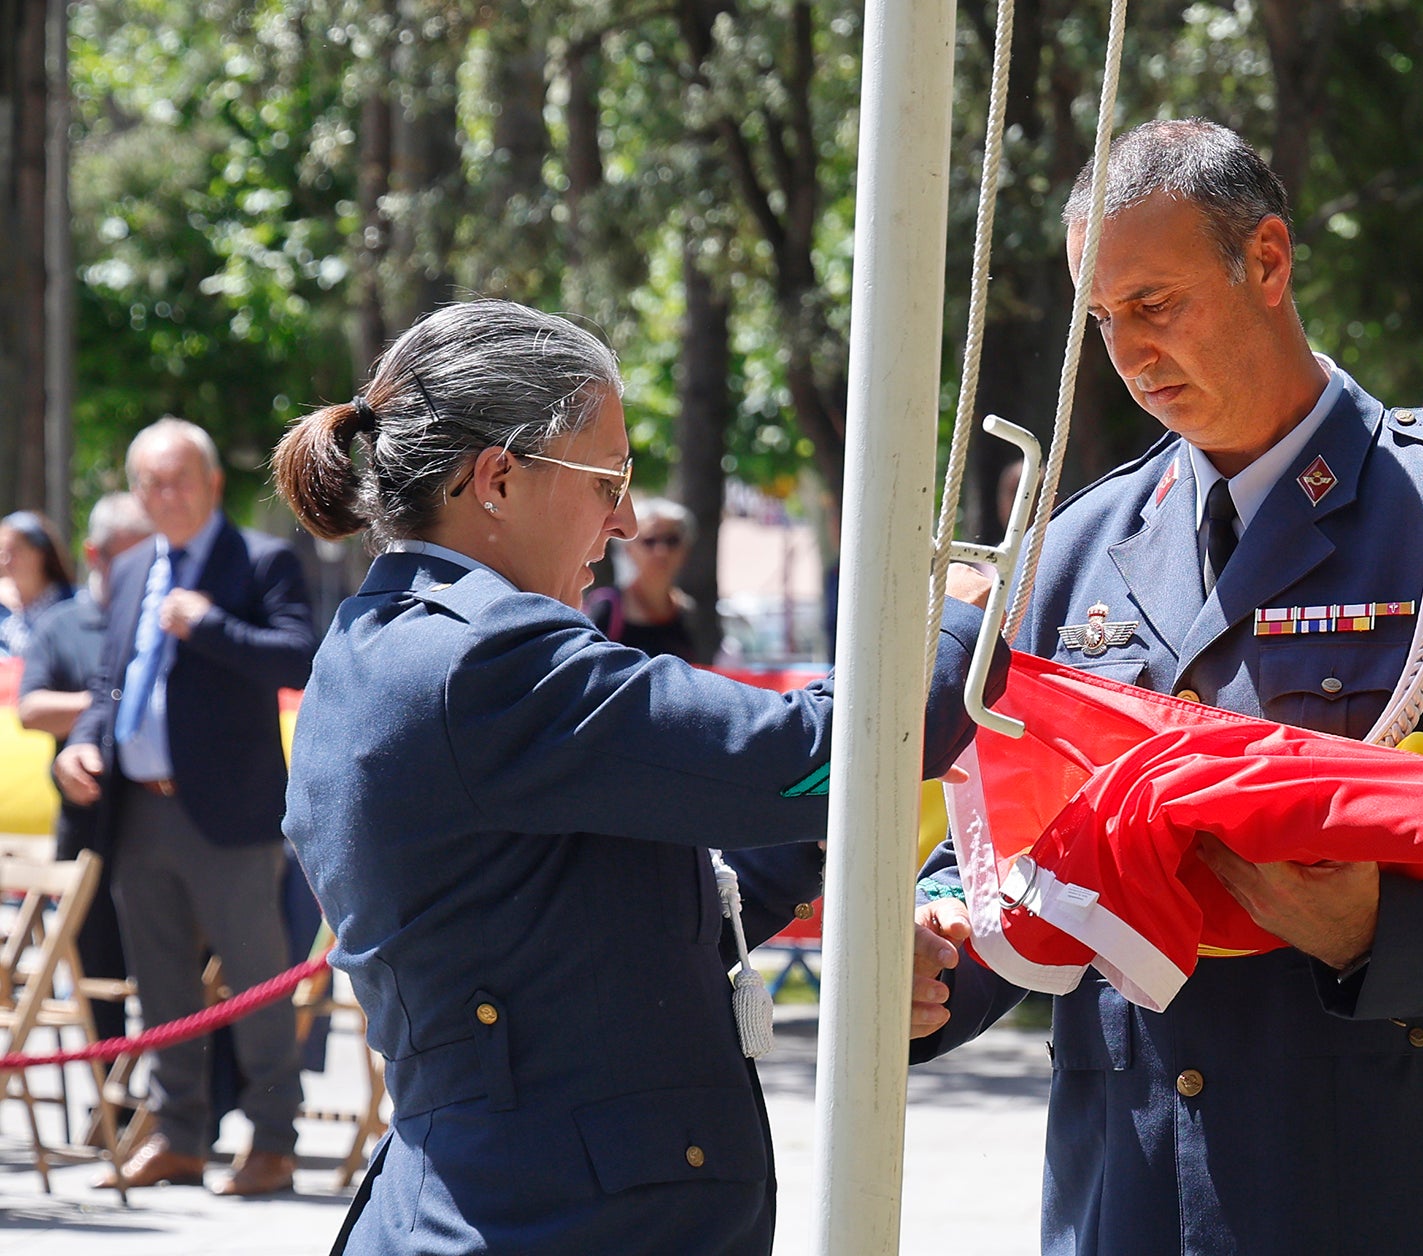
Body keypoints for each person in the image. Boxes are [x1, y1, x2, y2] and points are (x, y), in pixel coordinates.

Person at [908, 120, 1423, 1255]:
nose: (1130, 353)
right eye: (1104, 320)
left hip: (1394, 1184)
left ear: (1269, 262)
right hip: (1137, 1188)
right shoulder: (1080, 542)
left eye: (1154, 303)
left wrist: (1372, 929)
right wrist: (933, 948)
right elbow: (1015, 850)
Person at [269, 298, 1001, 1256]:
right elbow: (810, 757)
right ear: (497, 479)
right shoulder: (485, 659)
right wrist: (957, 623)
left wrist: (843, 877)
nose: (622, 519)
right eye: (608, 477)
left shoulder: (389, 644)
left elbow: (616, 908)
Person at [53, 418, 316, 1197]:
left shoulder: (261, 559)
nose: (164, 496)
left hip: (228, 812)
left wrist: (211, 626)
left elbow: (299, 654)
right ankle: (178, 1137)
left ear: (210, 485)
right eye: (150, 484)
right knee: (160, 986)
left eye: (178, 481)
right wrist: (84, 742)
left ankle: (273, 1142)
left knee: (256, 978)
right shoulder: (132, 569)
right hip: (138, 807)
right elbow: (109, 682)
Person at [18, 491, 154, 1046]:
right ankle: (110, 1113)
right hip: (88, 821)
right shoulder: (62, 624)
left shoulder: (160, 619)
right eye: (131, 556)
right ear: (96, 555)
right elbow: (32, 709)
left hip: (155, 823)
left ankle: (172, 1114)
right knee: (96, 972)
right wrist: (110, 702)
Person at [586, 495, 707, 660]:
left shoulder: (689, 614)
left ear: (685, 549)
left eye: (672, 541)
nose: (661, 552)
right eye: (650, 541)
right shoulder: (606, 608)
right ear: (628, 550)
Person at [0, 509, 76, 656]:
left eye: (15, 551)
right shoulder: (3, 609)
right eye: (3, 552)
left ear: (40, 553)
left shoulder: (72, 603)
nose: (7, 560)